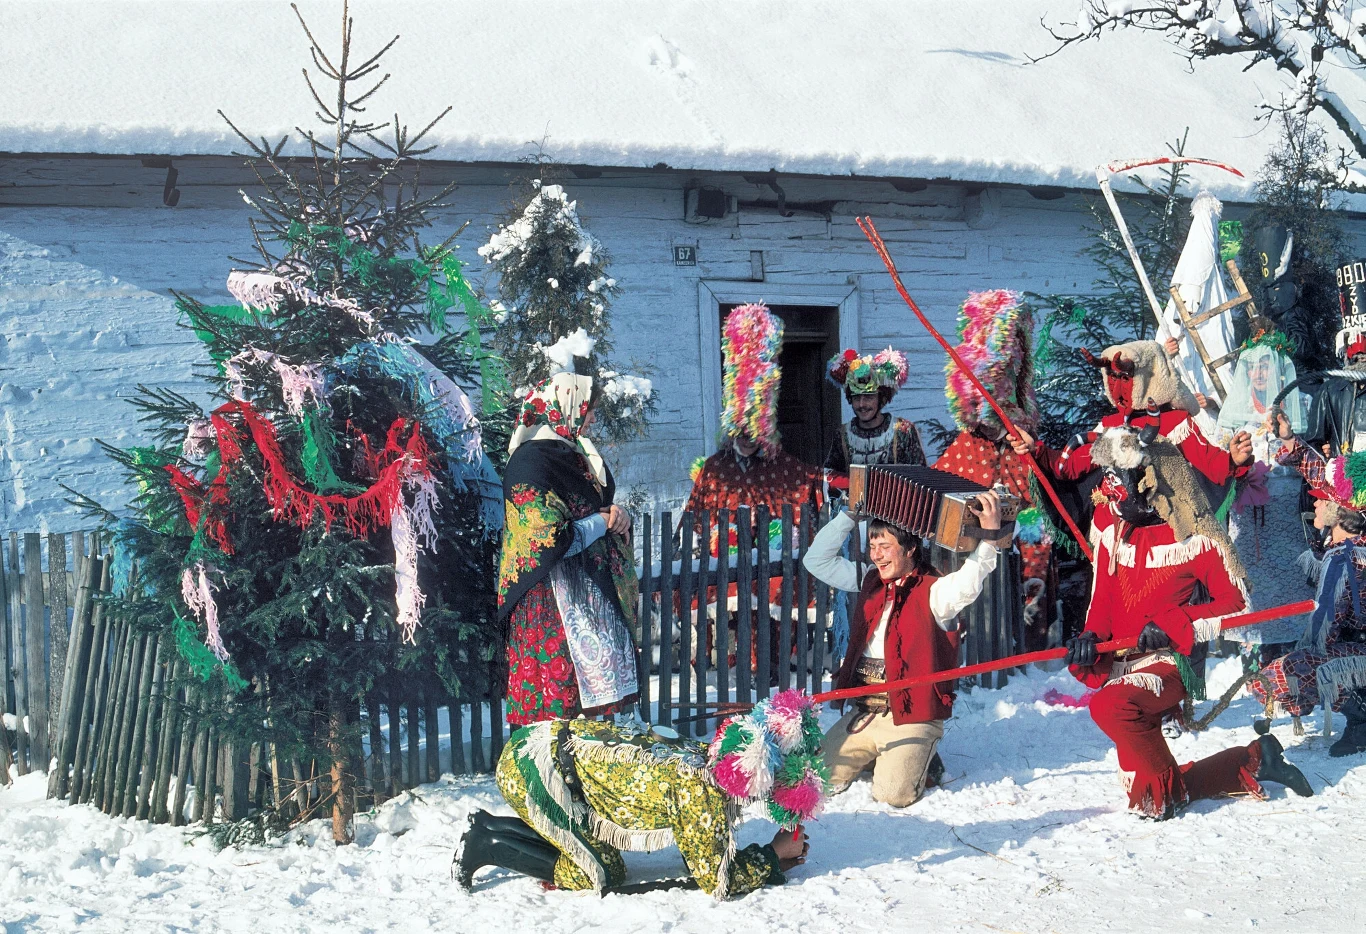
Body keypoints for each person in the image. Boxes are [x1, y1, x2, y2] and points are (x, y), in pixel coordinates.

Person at [1043, 421, 1313, 818]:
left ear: (1151, 482)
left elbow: (1236, 602)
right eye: (1109, 478)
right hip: (1122, 665)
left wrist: (1174, 621)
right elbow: (1101, 603)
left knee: (1110, 707)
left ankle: (1173, 792)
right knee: (1149, 789)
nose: (1107, 490)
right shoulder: (1111, 531)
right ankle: (1255, 759)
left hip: (1171, 663)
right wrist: (1088, 640)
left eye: (1118, 479)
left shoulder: (1196, 538)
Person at [457, 689, 825, 899]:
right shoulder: (702, 789)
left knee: (592, 853)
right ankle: (486, 844)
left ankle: (488, 826)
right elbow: (717, 881)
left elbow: (698, 844)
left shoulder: (708, 762)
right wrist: (772, 856)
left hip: (549, 753)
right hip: (536, 770)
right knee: (599, 874)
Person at [803, 489, 1004, 807]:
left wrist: (990, 538)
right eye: (872, 547)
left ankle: (924, 754)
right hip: (867, 710)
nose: (877, 555)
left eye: (885, 546)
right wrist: (849, 516)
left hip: (912, 714)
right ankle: (883, 753)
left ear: (911, 548)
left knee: (892, 796)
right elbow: (816, 560)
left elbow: (969, 580)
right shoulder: (869, 579)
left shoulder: (935, 592)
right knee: (816, 779)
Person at [497, 373, 639, 727]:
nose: (592, 419)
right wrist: (601, 522)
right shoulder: (529, 462)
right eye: (588, 411)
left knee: (599, 712)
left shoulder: (576, 454)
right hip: (548, 598)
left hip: (587, 590)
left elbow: (598, 508)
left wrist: (617, 515)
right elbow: (546, 537)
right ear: (566, 407)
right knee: (558, 710)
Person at [933, 289, 1056, 646]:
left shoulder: (1022, 433)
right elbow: (942, 487)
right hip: (972, 544)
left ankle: (1028, 637)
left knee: (1033, 541)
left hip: (1020, 532)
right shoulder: (966, 445)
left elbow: (1038, 497)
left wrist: (1014, 434)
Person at [1247, 410, 1366, 756]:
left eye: (1321, 499)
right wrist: (1289, 439)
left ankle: (1361, 720)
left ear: (1339, 511)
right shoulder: (1353, 540)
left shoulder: (1344, 560)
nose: (1315, 499)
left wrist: (1288, 682)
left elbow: (1322, 635)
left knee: (1289, 670)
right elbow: (1327, 479)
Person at [684, 303, 822, 551]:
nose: (748, 436)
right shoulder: (713, 469)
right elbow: (692, 529)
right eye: (741, 428)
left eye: (754, 429)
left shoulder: (786, 468)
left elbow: (815, 483)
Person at [823, 346, 925, 473]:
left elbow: (921, 476)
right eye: (856, 398)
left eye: (869, 397)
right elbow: (830, 477)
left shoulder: (903, 431)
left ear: (882, 399)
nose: (862, 404)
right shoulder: (842, 435)